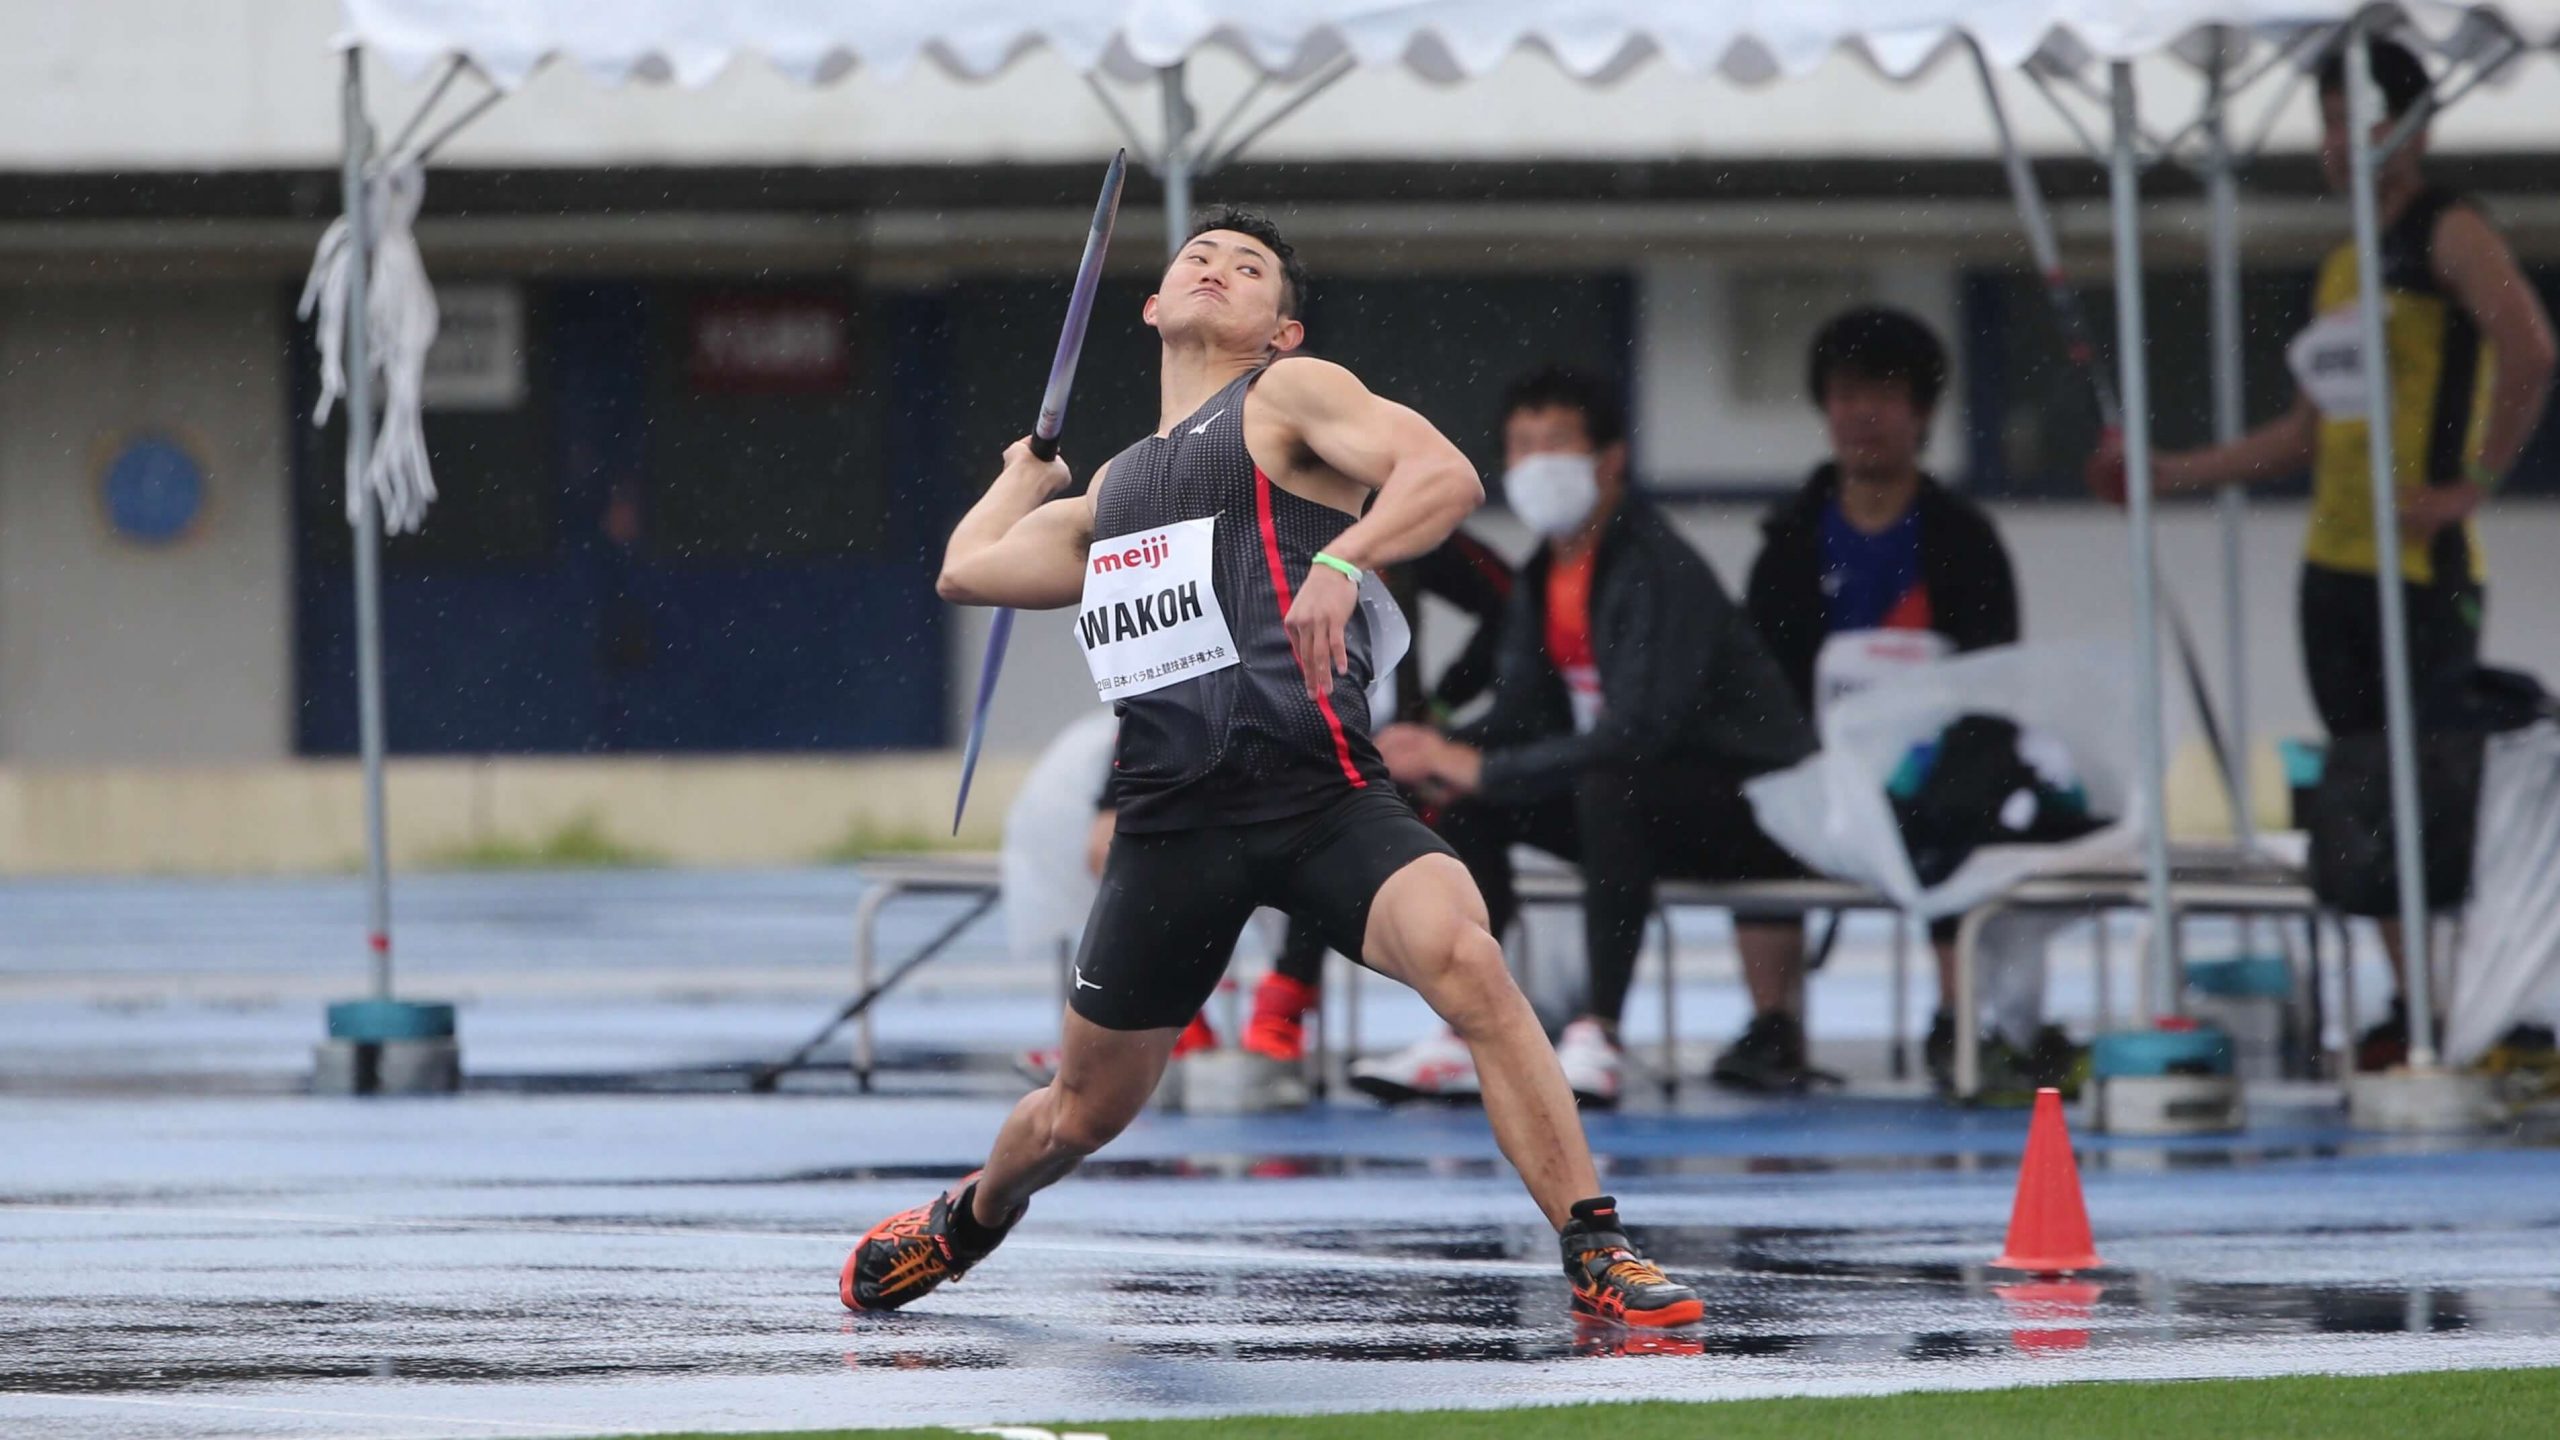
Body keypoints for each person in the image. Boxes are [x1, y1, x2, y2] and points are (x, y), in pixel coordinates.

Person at [845, 207, 1701, 1329]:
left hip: (1321, 795)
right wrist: (1025, 472)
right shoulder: (1113, 492)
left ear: (1277, 331)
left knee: (1469, 962)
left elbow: (1442, 476)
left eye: (1247, 268)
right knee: (1079, 1115)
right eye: (1196, 257)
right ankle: (969, 1219)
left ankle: (1596, 1247)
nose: (1216, 268)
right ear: (1153, 307)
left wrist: (1344, 555)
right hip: (1170, 831)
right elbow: (969, 572)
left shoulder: (1288, 401)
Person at [2089, 37, 2556, 1069]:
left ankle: (2481, 1004)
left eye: (2363, 119)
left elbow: (2530, 348)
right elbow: (2300, 434)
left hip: (2418, 573)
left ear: (2413, 126)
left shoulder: (2450, 228)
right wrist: (2166, 471)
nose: (2342, 142)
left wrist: (2469, 484)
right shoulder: (2344, 257)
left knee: (2435, 785)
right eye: (2329, 122)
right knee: (2366, 793)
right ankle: (2413, 1003)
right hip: (2332, 570)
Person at [1363, 368, 1822, 1106]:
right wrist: (1430, 754)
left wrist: (1478, 761)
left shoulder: (1656, 566)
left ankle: (1598, 1032)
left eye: (1556, 443)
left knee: (1606, 785)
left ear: (1610, 460)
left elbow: (1639, 731)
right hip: (1639, 801)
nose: (1536, 463)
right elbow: (1518, 714)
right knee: (1470, 798)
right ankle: (1467, 1028)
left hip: (1756, 808)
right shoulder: (1547, 571)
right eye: (1521, 445)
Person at [1746, 306, 2076, 1098]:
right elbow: (1758, 686)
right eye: (1847, 393)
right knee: (1748, 804)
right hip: (1821, 772)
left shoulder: (1965, 540)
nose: (1864, 413)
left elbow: (1995, 682)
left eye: (1885, 394)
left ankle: (1956, 1019)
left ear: (1921, 414)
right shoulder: (1788, 542)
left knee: (1963, 803)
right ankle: (1771, 1023)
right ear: (1826, 409)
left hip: (1934, 773)